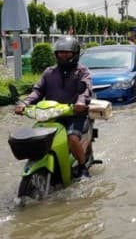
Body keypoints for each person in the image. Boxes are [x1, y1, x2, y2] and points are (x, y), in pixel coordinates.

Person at [14, 36, 93, 178]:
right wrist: (24, 104)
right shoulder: (49, 72)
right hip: (51, 115)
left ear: (75, 54)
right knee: (35, 139)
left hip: (74, 114)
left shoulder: (82, 71)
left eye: (67, 52)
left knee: (73, 138)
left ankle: (82, 167)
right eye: (61, 52)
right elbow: (37, 91)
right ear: (56, 54)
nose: (64, 55)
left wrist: (80, 103)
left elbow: (86, 89)